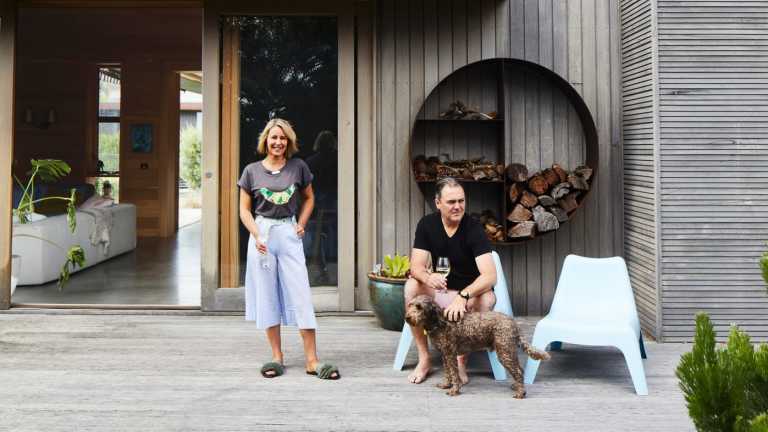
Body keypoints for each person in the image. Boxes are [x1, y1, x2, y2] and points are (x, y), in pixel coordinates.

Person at [238, 118, 340, 380]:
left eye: (283, 138)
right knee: (267, 293)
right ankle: (276, 356)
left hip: (288, 231)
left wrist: (302, 223)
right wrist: (257, 234)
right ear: (266, 140)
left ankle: (312, 360)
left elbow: (309, 198)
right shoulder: (251, 171)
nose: (278, 142)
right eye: (274, 137)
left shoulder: (299, 167)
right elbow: (244, 210)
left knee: (301, 293)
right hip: (262, 234)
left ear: (289, 141)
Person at [405, 177, 497, 384]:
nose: (458, 206)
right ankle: (424, 358)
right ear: (438, 203)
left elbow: (490, 276)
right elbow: (416, 267)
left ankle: (460, 362)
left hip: (469, 294)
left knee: (487, 299)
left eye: (461, 201)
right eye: (451, 202)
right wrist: (428, 277)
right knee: (411, 287)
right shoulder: (427, 224)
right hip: (441, 291)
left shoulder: (473, 228)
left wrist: (464, 296)